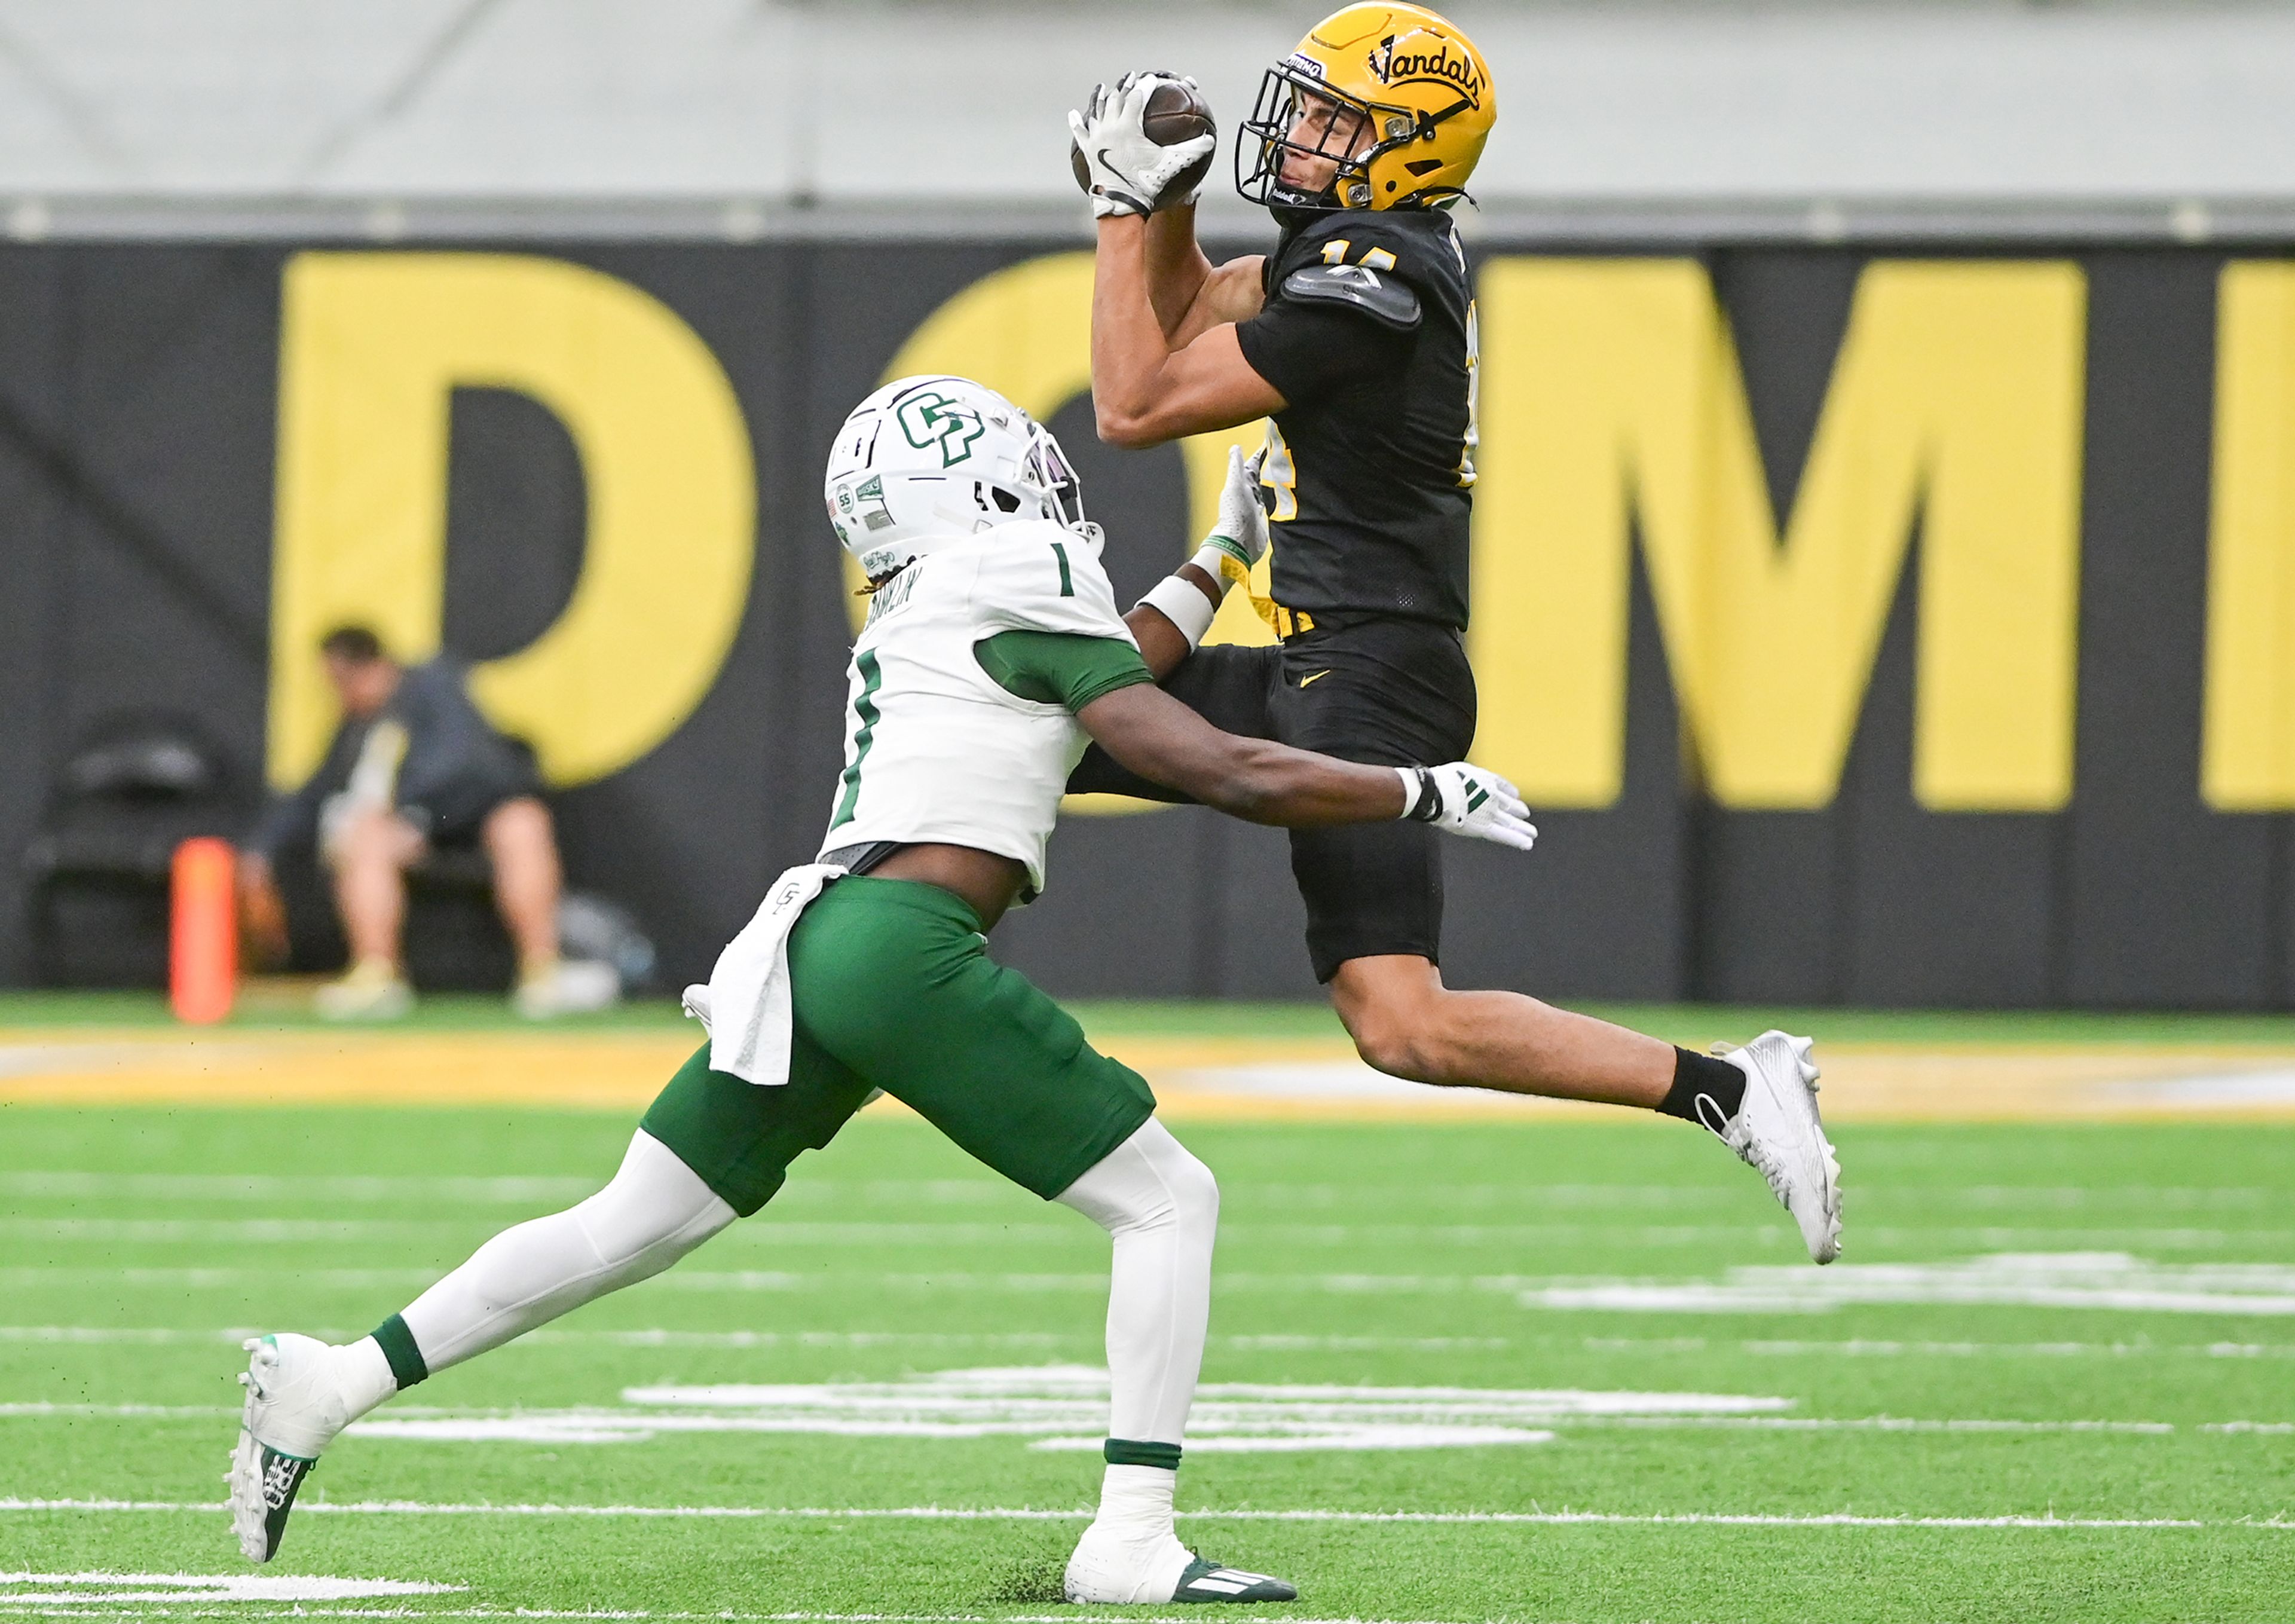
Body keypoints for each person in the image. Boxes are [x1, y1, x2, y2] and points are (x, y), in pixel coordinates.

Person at [228, 376, 1535, 1601]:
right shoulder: (1021, 574)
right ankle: (1130, 1535)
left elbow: (1098, 667)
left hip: (818, 945)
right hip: (900, 946)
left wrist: (1217, 561)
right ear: (982, 490)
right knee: (1167, 1199)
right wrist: (1417, 787)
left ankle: (334, 1379)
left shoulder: (938, 598)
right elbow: (1214, 760)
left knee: (630, 1221)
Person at [1063, 5, 1842, 1262]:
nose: (1304, 137)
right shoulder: (1365, 249)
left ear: (1413, 151)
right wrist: (1170, 206)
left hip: (1367, 672)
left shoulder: (1373, 268)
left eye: (1337, 121)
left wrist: (1116, 204)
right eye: (1306, 108)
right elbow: (1193, 304)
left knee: (1403, 1023)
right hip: (1334, 655)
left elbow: (1134, 399)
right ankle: (826, 960)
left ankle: (1732, 1087)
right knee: (1028, 724)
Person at [239, 626, 616, 1020]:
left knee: (523, 823)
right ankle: (377, 973)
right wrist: (260, 850)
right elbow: (311, 794)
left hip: (466, 813)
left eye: (345, 681)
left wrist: (413, 811)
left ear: (375, 665)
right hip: (409, 829)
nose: (342, 693)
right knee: (365, 836)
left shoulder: (432, 685)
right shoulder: (355, 728)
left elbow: (463, 761)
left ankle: (542, 971)